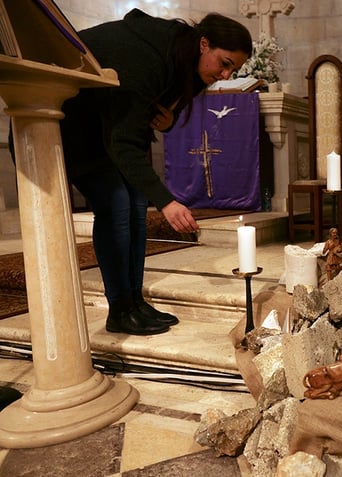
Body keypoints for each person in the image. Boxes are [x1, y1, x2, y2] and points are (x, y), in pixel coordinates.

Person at [57, 10, 252, 335]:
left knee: (134, 199)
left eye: (234, 69)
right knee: (115, 201)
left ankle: (134, 301)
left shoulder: (186, 60)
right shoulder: (148, 55)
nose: (226, 75)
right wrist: (167, 202)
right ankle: (119, 308)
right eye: (225, 63)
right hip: (71, 124)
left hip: (105, 128)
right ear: (205, 44)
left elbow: (163, 111)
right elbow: (123, 142)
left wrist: (170, 120)